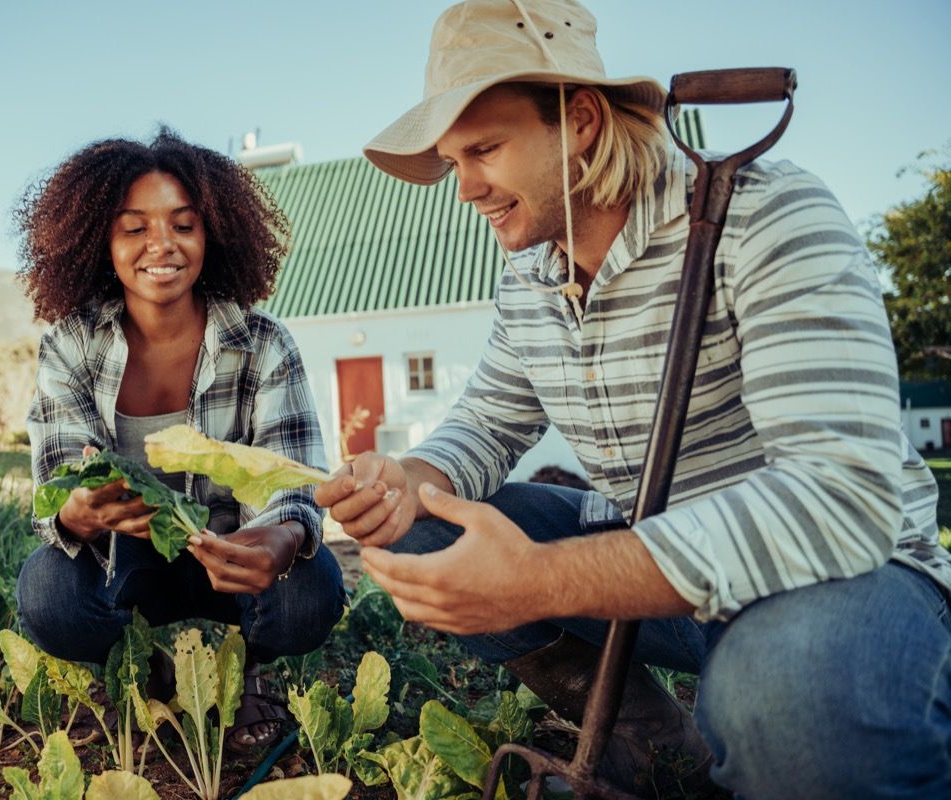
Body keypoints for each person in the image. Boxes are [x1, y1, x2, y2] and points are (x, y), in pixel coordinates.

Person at [316, 1, 951, 797]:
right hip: (666, 580)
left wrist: (539, 579)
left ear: (579, 120)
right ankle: (649, 752)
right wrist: (407, 480)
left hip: (844, 580)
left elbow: (838, 503)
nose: (465, 187)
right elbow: (484, 424)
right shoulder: (531, 279)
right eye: (452, 160)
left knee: (783, 700)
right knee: (425, 531)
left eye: (484, 149)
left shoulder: (764, 214)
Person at [15, 129, 345, 751]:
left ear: (212, 234)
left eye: (183, 225)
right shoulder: (71, 344)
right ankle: (144, 666)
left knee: (312, 590)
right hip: (126, 562)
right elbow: (57, 476)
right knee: (48, 594)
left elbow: (294, 476)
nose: (160, 245)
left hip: (232, 552)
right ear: (99, 241)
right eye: (134, 227)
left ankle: (240, 670)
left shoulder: (263, 342)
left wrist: (283, 535)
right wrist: (79, 511)